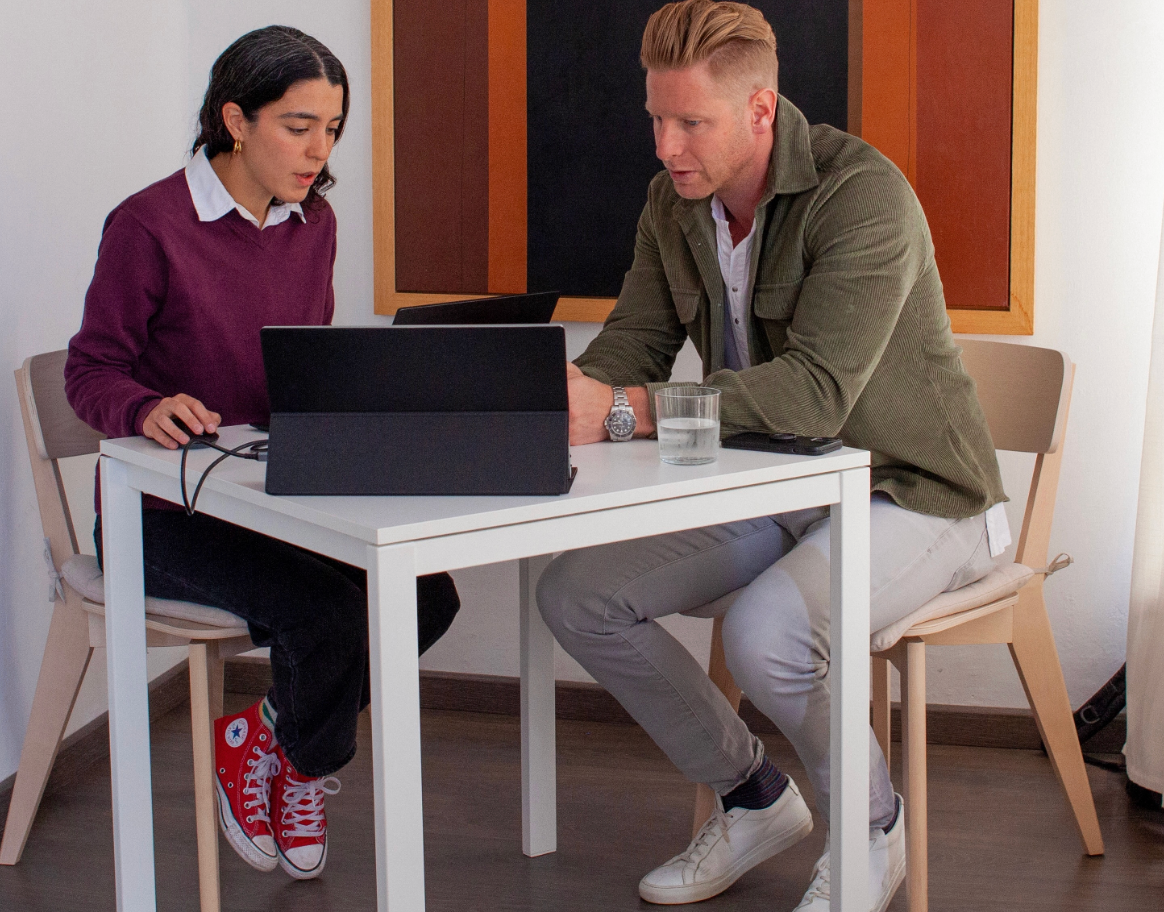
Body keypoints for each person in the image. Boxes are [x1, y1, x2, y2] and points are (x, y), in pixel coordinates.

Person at [536, 3, 1008, 910]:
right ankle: (754, 799)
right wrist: (563, 398)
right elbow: (628, 350)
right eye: (655, 118)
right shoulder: (669, 206)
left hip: (916, 492)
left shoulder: (862, 194)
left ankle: (873, 830)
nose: (667, 145)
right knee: (577, 595)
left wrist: (627, 413)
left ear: (761, 109)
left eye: (690, 123)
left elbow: (814, 393)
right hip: (780, 482)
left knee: (768, 633)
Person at [64, 26, 461, 881]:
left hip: (268, 493)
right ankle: (307, 764)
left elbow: (294, 362)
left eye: (332, 129)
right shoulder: (148, 224)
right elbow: (89, 371)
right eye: (298, 125)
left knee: (425, 597)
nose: (318, 151)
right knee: (324, 615)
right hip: (161, 514)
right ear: (234, 120)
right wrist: (145, 404)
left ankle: (267, 739)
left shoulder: (310, 222)